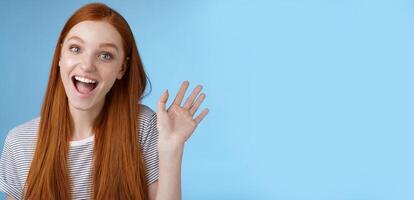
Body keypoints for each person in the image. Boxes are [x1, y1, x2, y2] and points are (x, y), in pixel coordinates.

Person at [0, 3, 208, 200]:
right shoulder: (20, 142)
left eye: (105, 55)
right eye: (76, 49)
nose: (87, 65)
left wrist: (172, 150)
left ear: (121, 69)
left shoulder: (143, 126)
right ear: (60, 57)